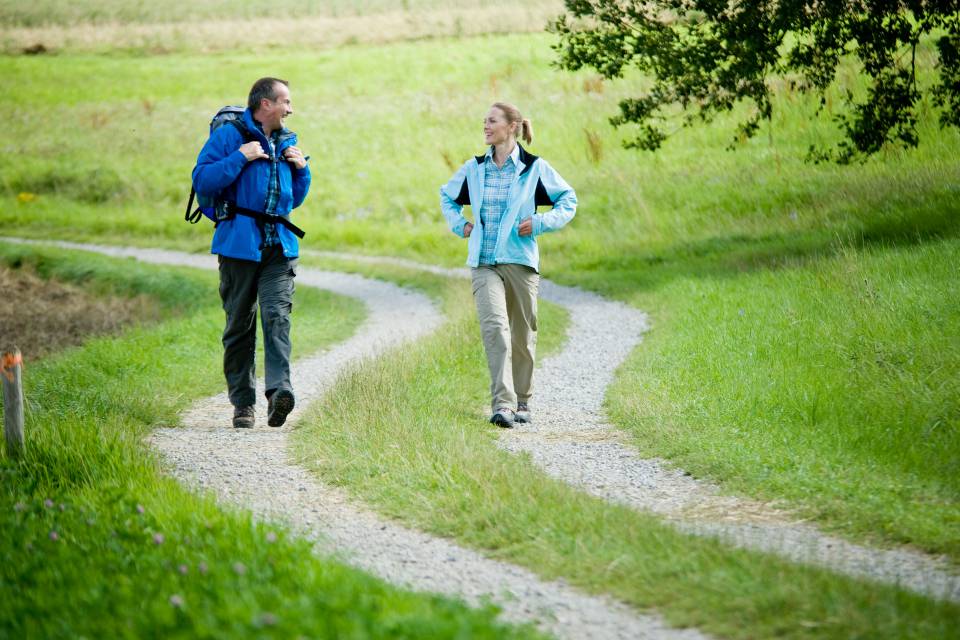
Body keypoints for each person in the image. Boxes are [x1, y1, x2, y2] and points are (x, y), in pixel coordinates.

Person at [440, 102, 577, 428]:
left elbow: (568, 200)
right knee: (495, 330)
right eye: (484, 121)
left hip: (520, 261)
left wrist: (541, 223)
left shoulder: (533, 167)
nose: (485, 126)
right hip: (484, 263)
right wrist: (462, 225)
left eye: (492, 121)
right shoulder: (474, 168)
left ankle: (523, 401)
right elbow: (446, 196)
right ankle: (502, 404)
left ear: (512, 126)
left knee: (521, 334)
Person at [192, 77, 311, 429]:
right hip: (238, 247)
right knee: (239, 328)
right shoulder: (230, 137)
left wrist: (303, 171)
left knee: (278, 318)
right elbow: (203, 180)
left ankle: (279, 393)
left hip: (279, 247)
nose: (290, 109)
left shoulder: (287, 141)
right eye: (285, 101)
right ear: (265, 105)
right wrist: (239, 158)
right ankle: (243, 404)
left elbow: (293, 198)